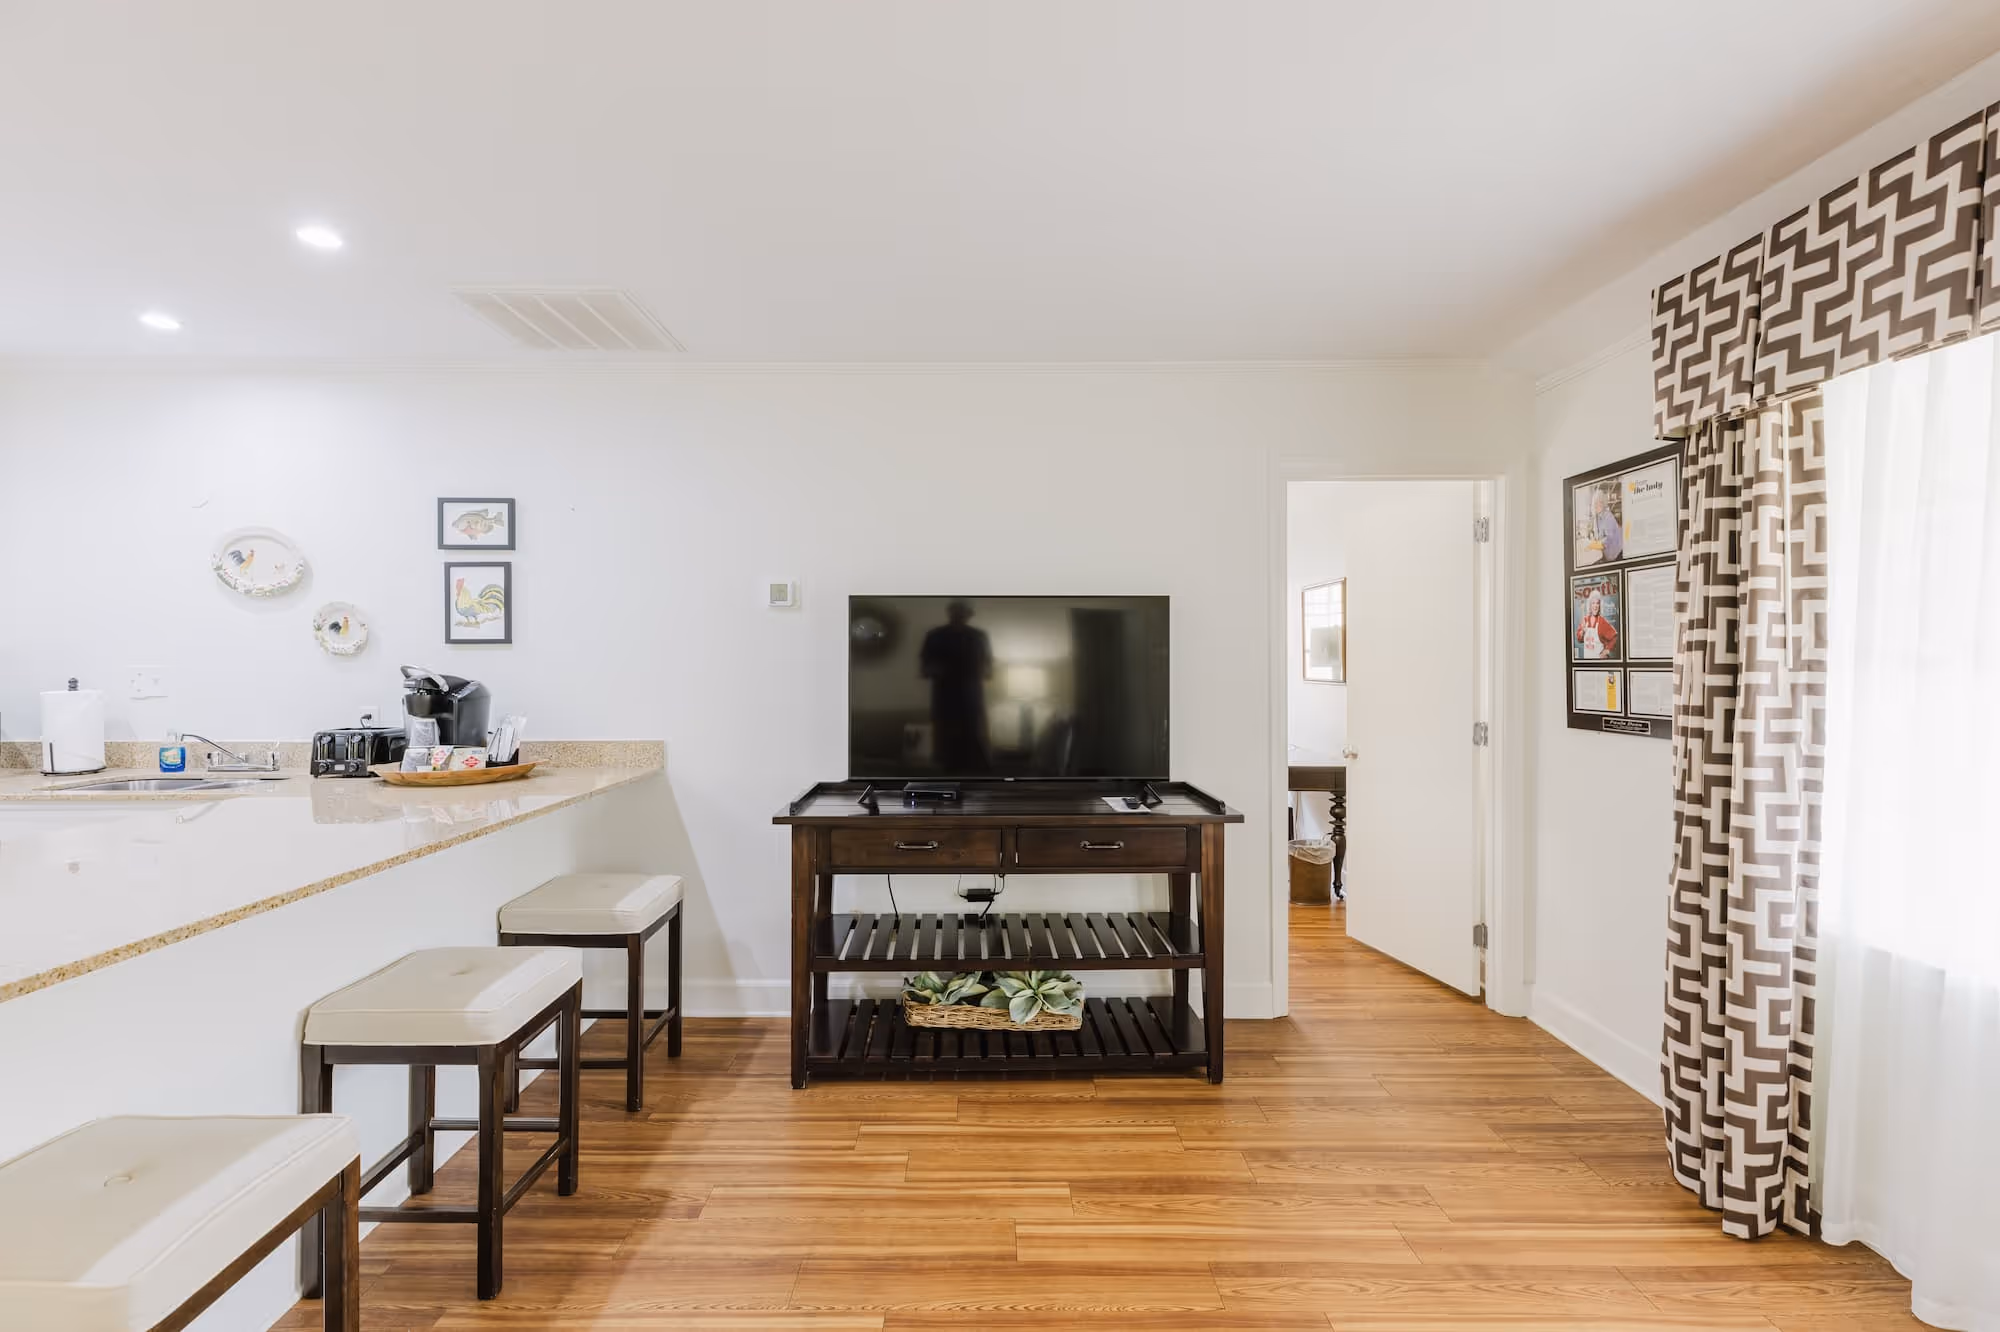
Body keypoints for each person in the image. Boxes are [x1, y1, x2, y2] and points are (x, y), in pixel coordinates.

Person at [919, 600, 993, 773]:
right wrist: (944, 670)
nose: (960, 616)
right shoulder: (935, 635)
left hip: (970, 698)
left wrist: (976, 671)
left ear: (969, 615)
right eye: (957, 612)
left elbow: (988, 669)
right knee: (947, 747)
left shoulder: (979, 636)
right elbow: (925, 669)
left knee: (974, 741)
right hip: (946, 699)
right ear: (950, 613)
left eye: (964, 612)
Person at [1576, 588, 1617, 659]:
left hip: (1599, 663)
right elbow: (1579, 639)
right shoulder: (1585, 620)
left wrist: (1606, 650)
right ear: (1590, 605)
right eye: (1593, 603)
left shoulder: (1601, 621)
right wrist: (1582, 632)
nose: (1595, 606)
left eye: (1597, 603)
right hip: (1587, 661)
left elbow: (1614, 636)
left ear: (1600, 605)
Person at [1591, 488, 1624, 562]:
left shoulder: (1608, 516)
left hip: (1616, 553)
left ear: (1603, 503)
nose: (1598, 505)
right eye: (1595, 503)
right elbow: (1597, 535)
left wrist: (1596, 544)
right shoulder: (1596, 518)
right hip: (1606, 553)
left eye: (1600, 502)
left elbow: (1609, 538)